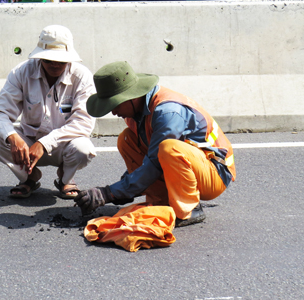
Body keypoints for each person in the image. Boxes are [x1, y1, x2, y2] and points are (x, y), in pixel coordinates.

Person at [74, 61, 236, 227]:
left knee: (168, 148)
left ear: (132, 96)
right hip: (187, 167)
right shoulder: (134, 113)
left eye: (114, 104)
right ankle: (162, 200)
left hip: (215, 173)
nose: (113, 112)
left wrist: (109, 193)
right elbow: (148, 159)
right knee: (126, 139)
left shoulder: (167, 112)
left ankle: (189, 209)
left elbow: (154, 163)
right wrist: (120, 191)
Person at [0, 25, 96, 199]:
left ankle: (65, 178)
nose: (54, 65)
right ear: (40, 57)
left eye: (60, 61)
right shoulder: (22, 72)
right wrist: (13, 138)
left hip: (63, 145)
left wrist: (45, 143)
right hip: (28, 144)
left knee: (84, 148)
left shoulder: (82, 77)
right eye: (48, 60)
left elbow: (84, 123)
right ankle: (29, 177)